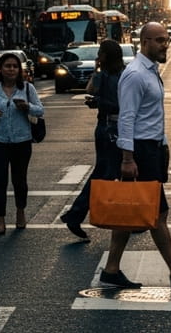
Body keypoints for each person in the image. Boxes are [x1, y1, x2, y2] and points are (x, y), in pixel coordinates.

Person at [101, 22, 171, 289]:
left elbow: (151, 116)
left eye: (166, 39)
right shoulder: (136, 74)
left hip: (152, 149)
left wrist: (163, 146)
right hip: (139, 150)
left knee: (132, 210)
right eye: (160, 40)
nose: (165, 44)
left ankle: (112, 269)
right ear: (145, 41)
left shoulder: (150, 71)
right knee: (157, 213)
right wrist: (128, 158)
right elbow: (126, 118)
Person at [61, 40, 125, 238]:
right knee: (109, 172)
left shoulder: (104, 74)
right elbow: (104, 96)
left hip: (105, 127)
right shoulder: (122, 73)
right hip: (114, 127)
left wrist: (97, 71)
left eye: (100, 53)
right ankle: (122, 215)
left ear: (106, 55)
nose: (98, 55)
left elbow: (90, 90)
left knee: (105, 172)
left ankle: (76, 214)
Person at [0, 51, 45, 235]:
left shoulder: (28, 89)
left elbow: (40, 111)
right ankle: (0, 221)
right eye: (7, 66)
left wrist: (27, 107)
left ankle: (20, 212)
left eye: (15, 66)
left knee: (19, 181)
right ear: (0, 69)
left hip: (22, 141)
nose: (11, 69)